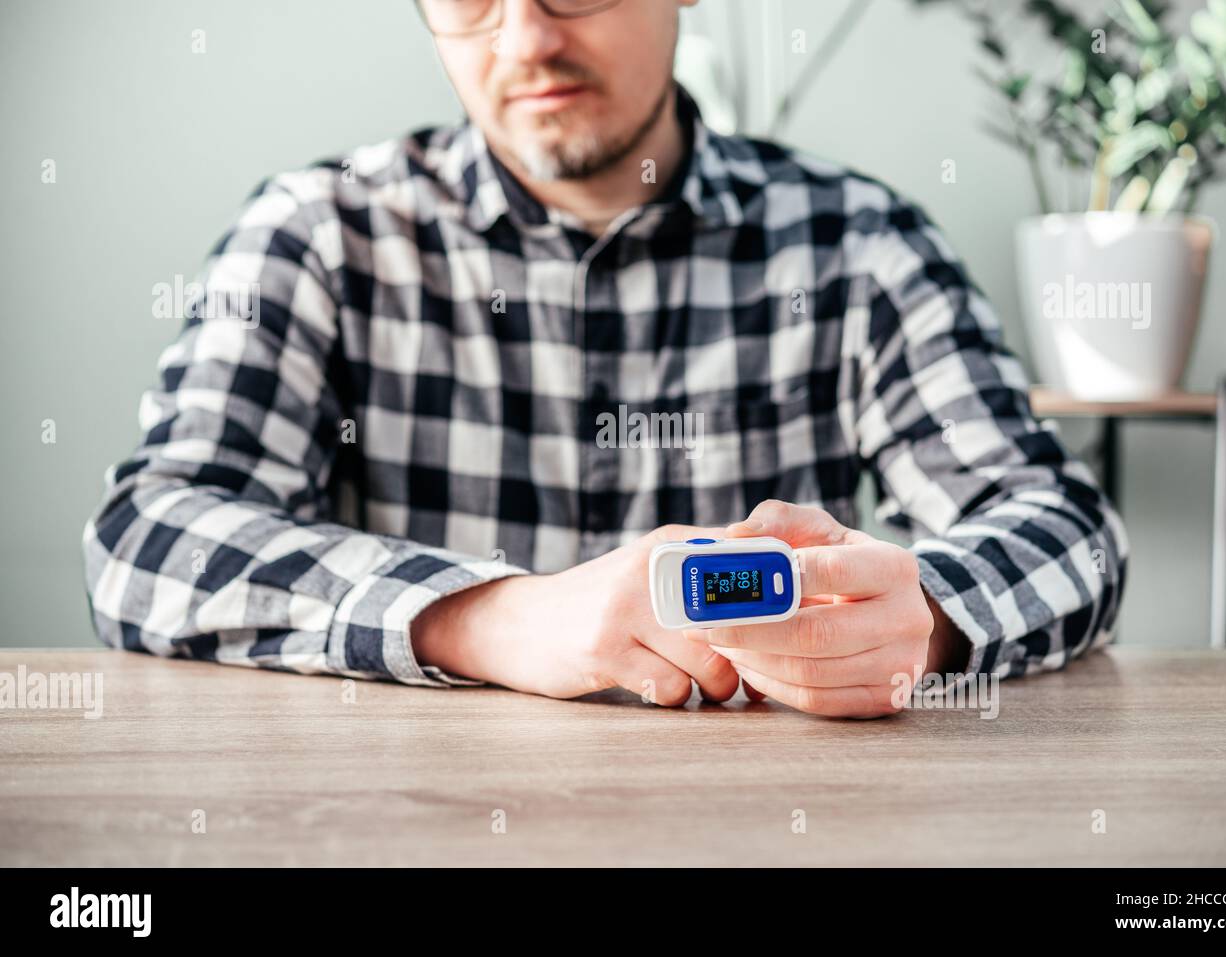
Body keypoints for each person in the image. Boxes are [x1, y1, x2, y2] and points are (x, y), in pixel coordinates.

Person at [82, 0, 1128, 718]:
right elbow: (145, 538)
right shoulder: (320, 232)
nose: (525, 36)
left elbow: (1069, 532)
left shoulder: (855, 240)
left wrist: (931, 616)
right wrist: (490, 619)